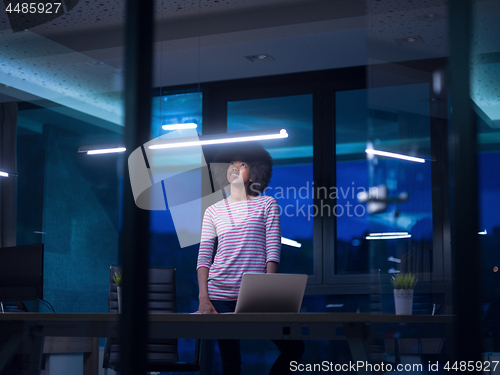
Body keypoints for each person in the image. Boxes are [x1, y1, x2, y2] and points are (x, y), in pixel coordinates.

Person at [196, 142, 304, 375]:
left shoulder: (267, 204)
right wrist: (203, 298)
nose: (235, 168)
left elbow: (273, 251)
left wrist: (268, 292)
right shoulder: (212, 210)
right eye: (231, 164)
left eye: (242, 164)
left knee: (294, 349)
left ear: (255, 171)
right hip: (219, 295)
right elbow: (204, 257)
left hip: (254, 295)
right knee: (231, 362)